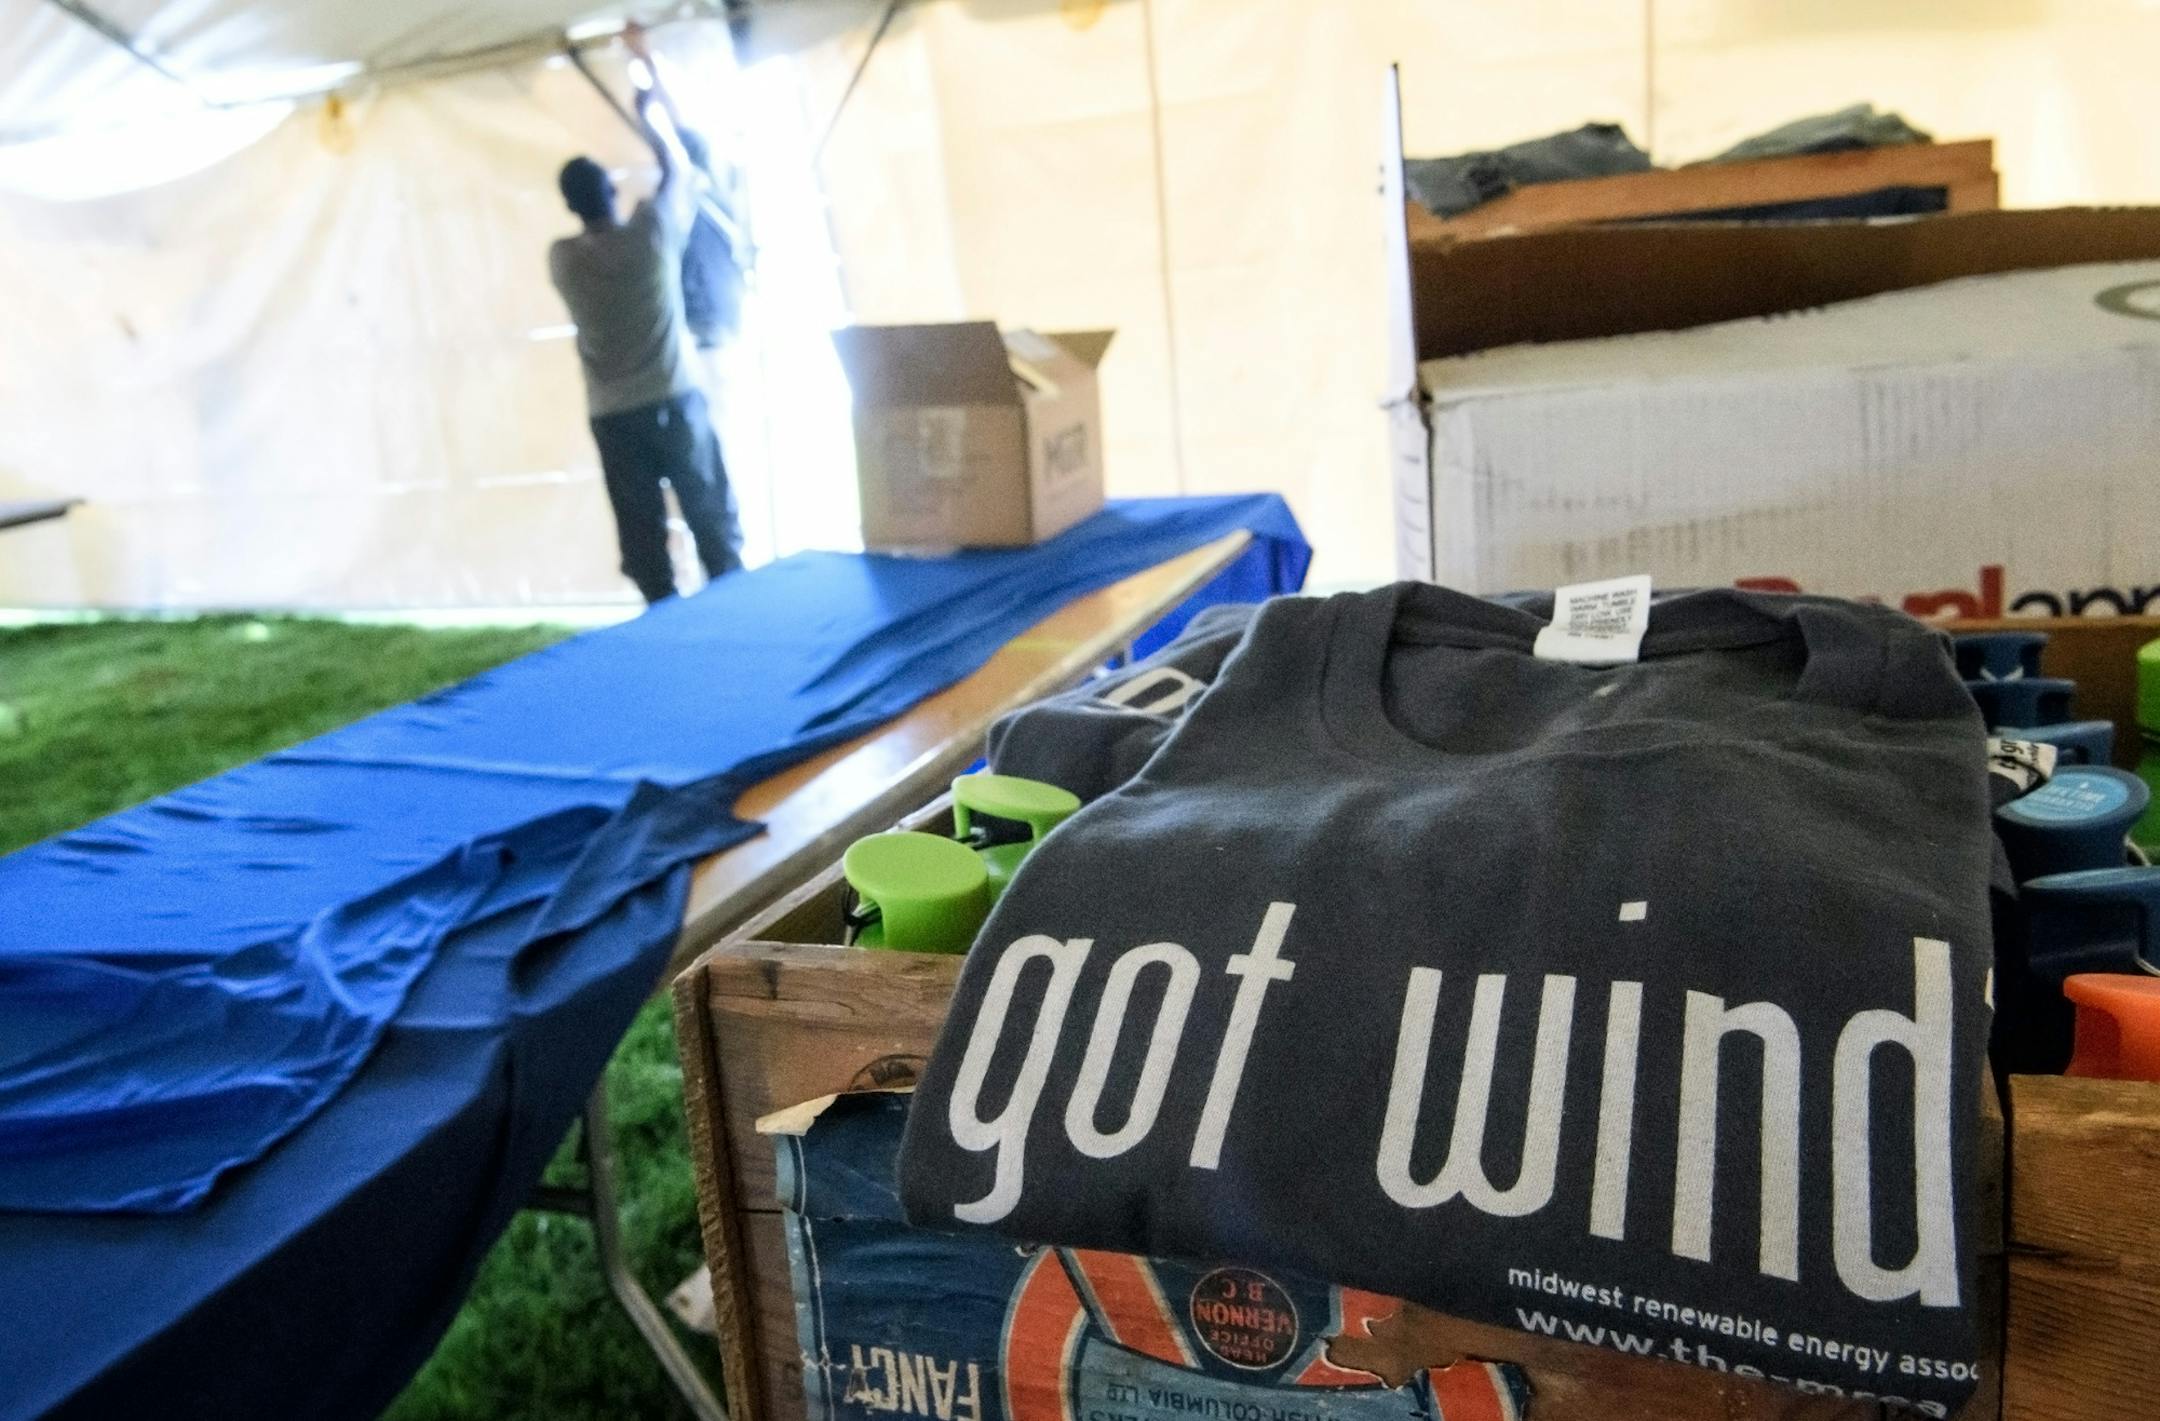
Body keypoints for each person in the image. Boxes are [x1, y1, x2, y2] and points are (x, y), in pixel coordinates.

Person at [548, 58, 742, 604]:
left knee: (645, 541)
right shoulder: (650, 238)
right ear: (612, 189)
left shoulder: (563, 259)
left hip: (613, 415)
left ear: (569, 204)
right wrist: (648, 107)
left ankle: (663, 626)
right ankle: (736, 615)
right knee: (711, 521)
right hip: (674, 398)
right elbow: (677, 171)